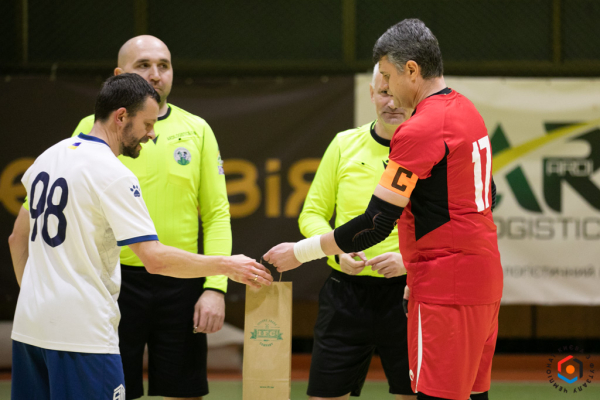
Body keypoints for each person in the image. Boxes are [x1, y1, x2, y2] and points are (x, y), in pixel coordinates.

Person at [264, 19, 502, 400]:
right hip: (483, 283)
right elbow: (487, 194)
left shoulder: (419, 128)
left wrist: (300, 252)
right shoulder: (467, 111)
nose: (387, 89)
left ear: (412, 70)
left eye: (388, 77)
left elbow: (374, 223)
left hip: (447, 289)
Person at [8, 73, 272, 400]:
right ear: (121, 117)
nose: (152, 133)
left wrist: (36, 299)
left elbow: (17, 240)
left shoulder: (50, 156)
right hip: (83, 334)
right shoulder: (114, 173)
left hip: (29, 328)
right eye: (147, 124)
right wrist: (227, 265)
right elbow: (155, 259)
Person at [71, 35, 231, 400]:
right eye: (143, 65)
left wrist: (214, 288)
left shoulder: (198, 129)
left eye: (164, 65)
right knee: (111, 391)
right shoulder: (92, 128)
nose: (156, 74)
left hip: (181, 281)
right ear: (119, 75)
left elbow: (217, 215)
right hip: (113, 282)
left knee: (184, 392)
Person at [298, 63, 415, 400]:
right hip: (345, 296)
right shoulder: (344, 144)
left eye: (398, 94)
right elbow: (312, 214)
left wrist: (409, 260)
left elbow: (448, 224)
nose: (391, 103)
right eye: (384, 93)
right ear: (371, 94)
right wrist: (337, 251)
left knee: (415, 394)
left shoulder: (429, 151)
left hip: (409, 294)